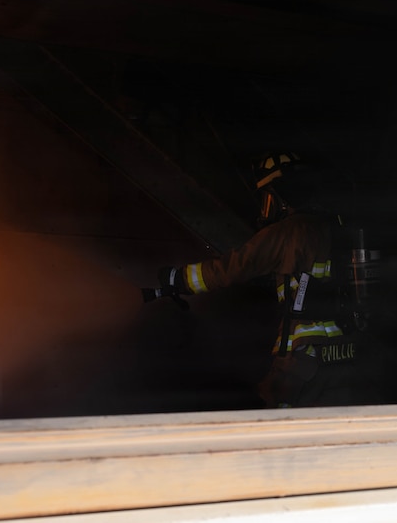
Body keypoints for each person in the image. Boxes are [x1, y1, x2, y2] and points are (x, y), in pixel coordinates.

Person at [155, 152, 376, 408]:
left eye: (271, 199)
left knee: (275, 420)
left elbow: (236, 266)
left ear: (285, 195)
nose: (268, 208)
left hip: (303, 356)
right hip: (347, 352)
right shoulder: (337, 227)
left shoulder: (287, 230)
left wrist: (179, 279)